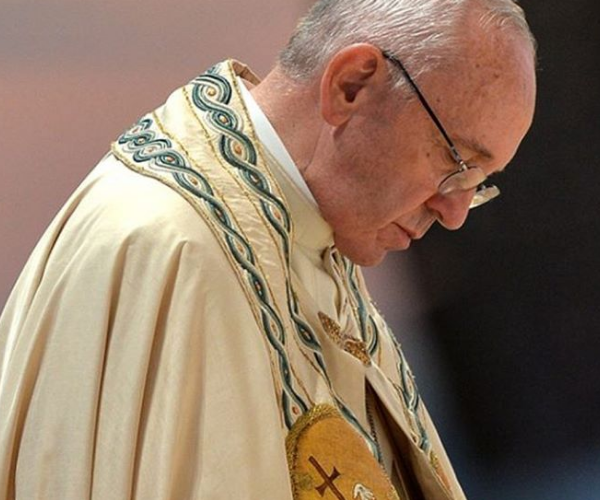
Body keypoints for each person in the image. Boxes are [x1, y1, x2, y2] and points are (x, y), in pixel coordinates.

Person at [0, 0, 536, 498]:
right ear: (351, 86)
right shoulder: (172, 247)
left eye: (478, 182)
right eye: (456, 162)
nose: (454, 212)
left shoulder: (305, 229)